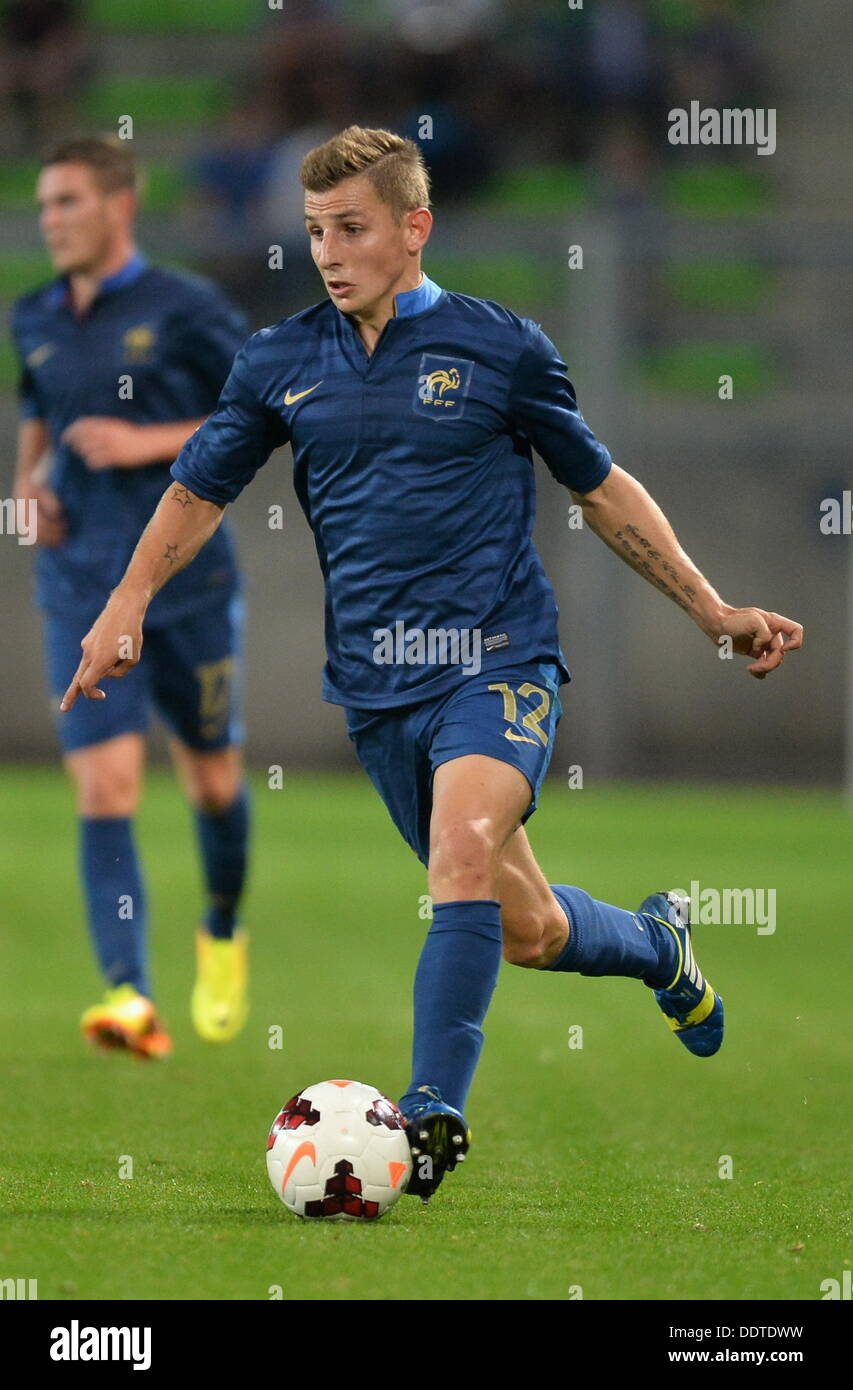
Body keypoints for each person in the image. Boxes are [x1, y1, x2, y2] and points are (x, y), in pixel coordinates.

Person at [61, 127, 802, 1191]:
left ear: (415, 228)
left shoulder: (501, 349)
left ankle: (429, 1109)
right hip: (375, 688)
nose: (327, 250)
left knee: (460, 846)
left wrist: (711, 608)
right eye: (315, 230)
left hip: (499, 659)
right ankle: (658, 947)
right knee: (529, 928)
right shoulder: (278, 361)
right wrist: (125, 602)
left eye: (351, 227)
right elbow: (195, 491)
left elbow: (600, 488)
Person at [12, 135, 253, 1058]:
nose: (51, 221)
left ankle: (222, 926)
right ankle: (130, 997)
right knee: (105, 786)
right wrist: (27, 489)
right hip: (79, 583)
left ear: (119, 206)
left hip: (183, 581)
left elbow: (258, 415)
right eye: (43, 205)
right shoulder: (33, 314)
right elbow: (37, 416)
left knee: (212, 778)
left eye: (67, 201)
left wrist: (148, 442)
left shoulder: (186, 308)